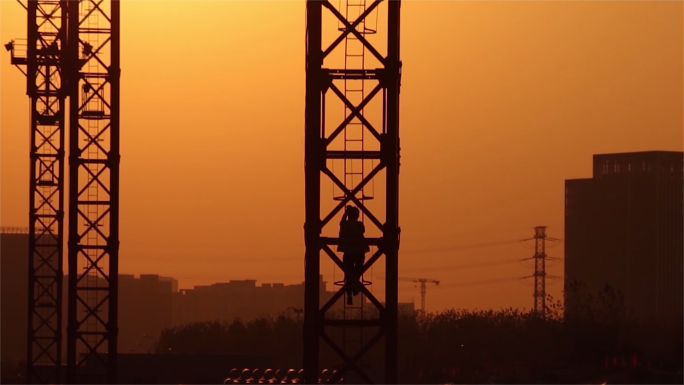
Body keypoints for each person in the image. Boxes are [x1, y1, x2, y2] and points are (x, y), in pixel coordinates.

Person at [338, 205, 369, 305]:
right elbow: (362, 230)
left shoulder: (345, 224)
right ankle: (356, 285)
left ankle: (349, 293)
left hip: (348, 252)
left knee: (348, 273)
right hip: (359, 252)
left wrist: (346, 213)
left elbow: (341, 223)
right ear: (357, 216)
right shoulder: (359, 225)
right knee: (358, 271)